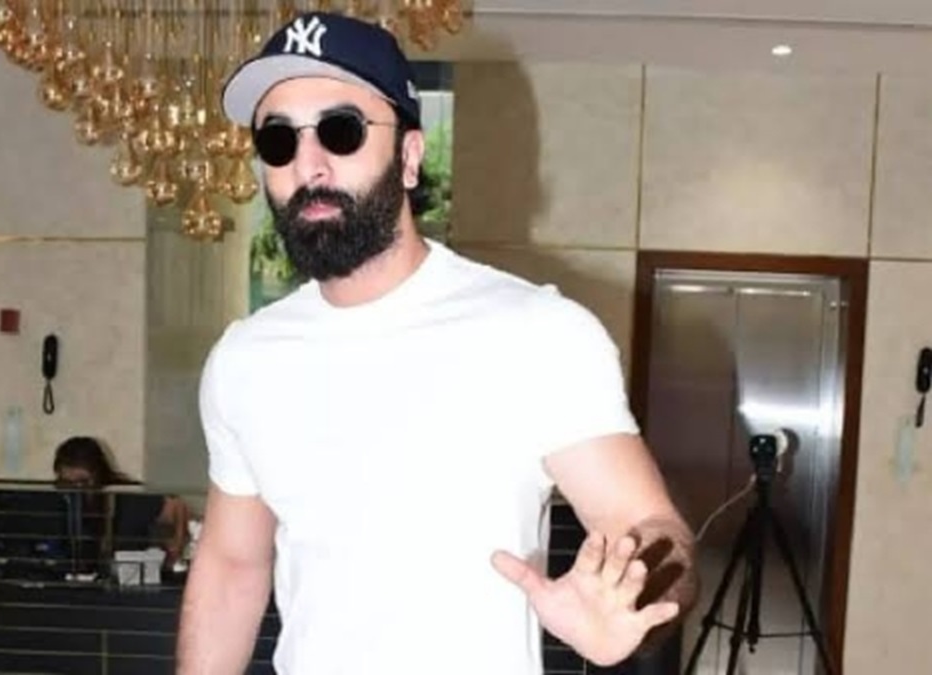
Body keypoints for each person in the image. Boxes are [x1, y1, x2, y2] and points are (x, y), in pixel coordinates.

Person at [177, 12, 698, 675]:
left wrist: (637, 597)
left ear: (410, 156)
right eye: (278, 140)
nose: (308, 164)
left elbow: (652, 526)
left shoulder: (534, 333)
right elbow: (232, 565)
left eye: (341, 130)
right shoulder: (245, 360)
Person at [51, 436, 189, 563]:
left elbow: (177, 506)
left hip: (129, 573)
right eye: (67, 484)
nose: (76, 491)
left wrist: (175, 547)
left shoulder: (128, 496)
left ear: (98, 475)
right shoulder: (57, 501)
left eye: (83, 482)